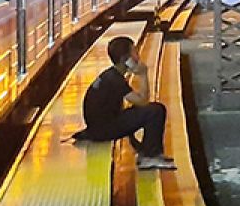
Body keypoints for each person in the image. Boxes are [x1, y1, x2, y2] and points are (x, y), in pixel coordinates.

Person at [73, 36, 174, 169]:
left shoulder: (110, 75)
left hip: (99, 127)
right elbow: (143, 101)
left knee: (143, 110)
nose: (138, 55)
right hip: (103, 130)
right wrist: (143, 74)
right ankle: (150, 157)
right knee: (155, 111)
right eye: (134, 52)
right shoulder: (115, 80)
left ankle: (148, 152)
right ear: (125, 60)